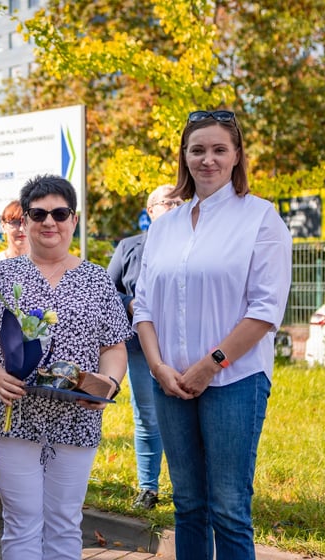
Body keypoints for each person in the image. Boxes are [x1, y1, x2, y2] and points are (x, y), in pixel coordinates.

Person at [133, 110, 292, 559]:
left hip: (233, 384)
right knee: (187, 505)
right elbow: (142, 306)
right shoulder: (165, 226)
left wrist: (209, 365)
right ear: (184, 157)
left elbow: (265, 311)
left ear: (237, 155)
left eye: (219, 149)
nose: (208, 159)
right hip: (169, 383)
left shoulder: (261, 219)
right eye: (197, 149)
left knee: (228, 509)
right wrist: (160, 367)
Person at [0, 174, 132, 560]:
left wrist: (107, 382)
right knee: (22, 521)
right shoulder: (1, 275)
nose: (49, 222)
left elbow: (114, 348)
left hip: (76, 417)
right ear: (24, 221)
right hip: (13, 412)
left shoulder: (96, 279)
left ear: (74, 220)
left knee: (64, 520)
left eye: (59, 213)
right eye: (38, 213)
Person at [106, 184, 183, 510]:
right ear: (150, 212)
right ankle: (148, 488)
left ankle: (186, 490)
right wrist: (129, 303)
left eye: (178, 200)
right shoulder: (129, 247)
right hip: (139, 347)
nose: (173, 205)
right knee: (148, 418)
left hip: (185, 347)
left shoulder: (192, 244)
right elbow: (106, 292)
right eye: (166, 201)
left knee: (184, 418)